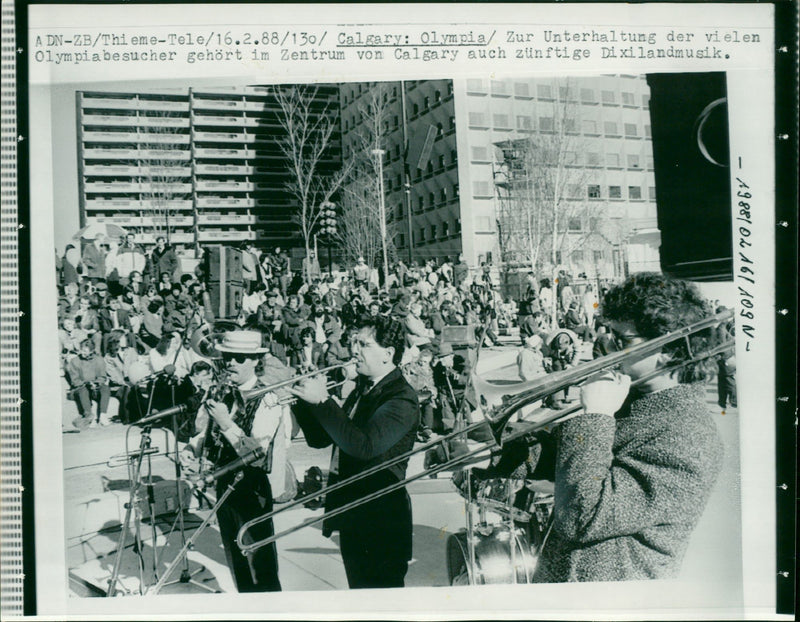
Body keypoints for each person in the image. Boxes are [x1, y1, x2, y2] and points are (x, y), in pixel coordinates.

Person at [532, 272, 724, 583]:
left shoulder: (689, 437)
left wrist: (595, 415)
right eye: (607, 334)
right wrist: (495, 456)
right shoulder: (633, 400)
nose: (607, 346)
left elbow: (583, 516)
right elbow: (563, 459)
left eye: (621, 339)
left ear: (668, 350)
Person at [291, 315, 419, 589]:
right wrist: (304, 400)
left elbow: (364, 447)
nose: (354, 350)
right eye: (353, 343)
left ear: (388, 353)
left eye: (363, 344)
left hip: (381, 521)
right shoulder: (363, 390)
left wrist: (323, 400)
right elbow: (320, 440)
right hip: (354, 519)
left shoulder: (401, 398)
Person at [188, 330, 285, 592]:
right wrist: (196, 444)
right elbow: (203, 434)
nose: (231, 362)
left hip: (250, 490)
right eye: (228, 356)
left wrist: (225, 422)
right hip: (223, 486)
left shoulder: (268, 397)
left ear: (255, 361)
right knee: (237, 565)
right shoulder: (221, 392)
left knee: (259, 566)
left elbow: (257, 452)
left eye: (239, 358)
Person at [67, 338, 111, 428]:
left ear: (92, 351)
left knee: (105, 388)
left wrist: (96, 383)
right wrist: (87, 383)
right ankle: (89, 417)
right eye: (81, 350)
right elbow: (75, 381)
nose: (82, 352)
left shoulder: (99, 360)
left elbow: (102, 376)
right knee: (83, 390)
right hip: (81, 388)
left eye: (85, 351)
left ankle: (103, 415)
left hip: (95, 387)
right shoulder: (74, 361)